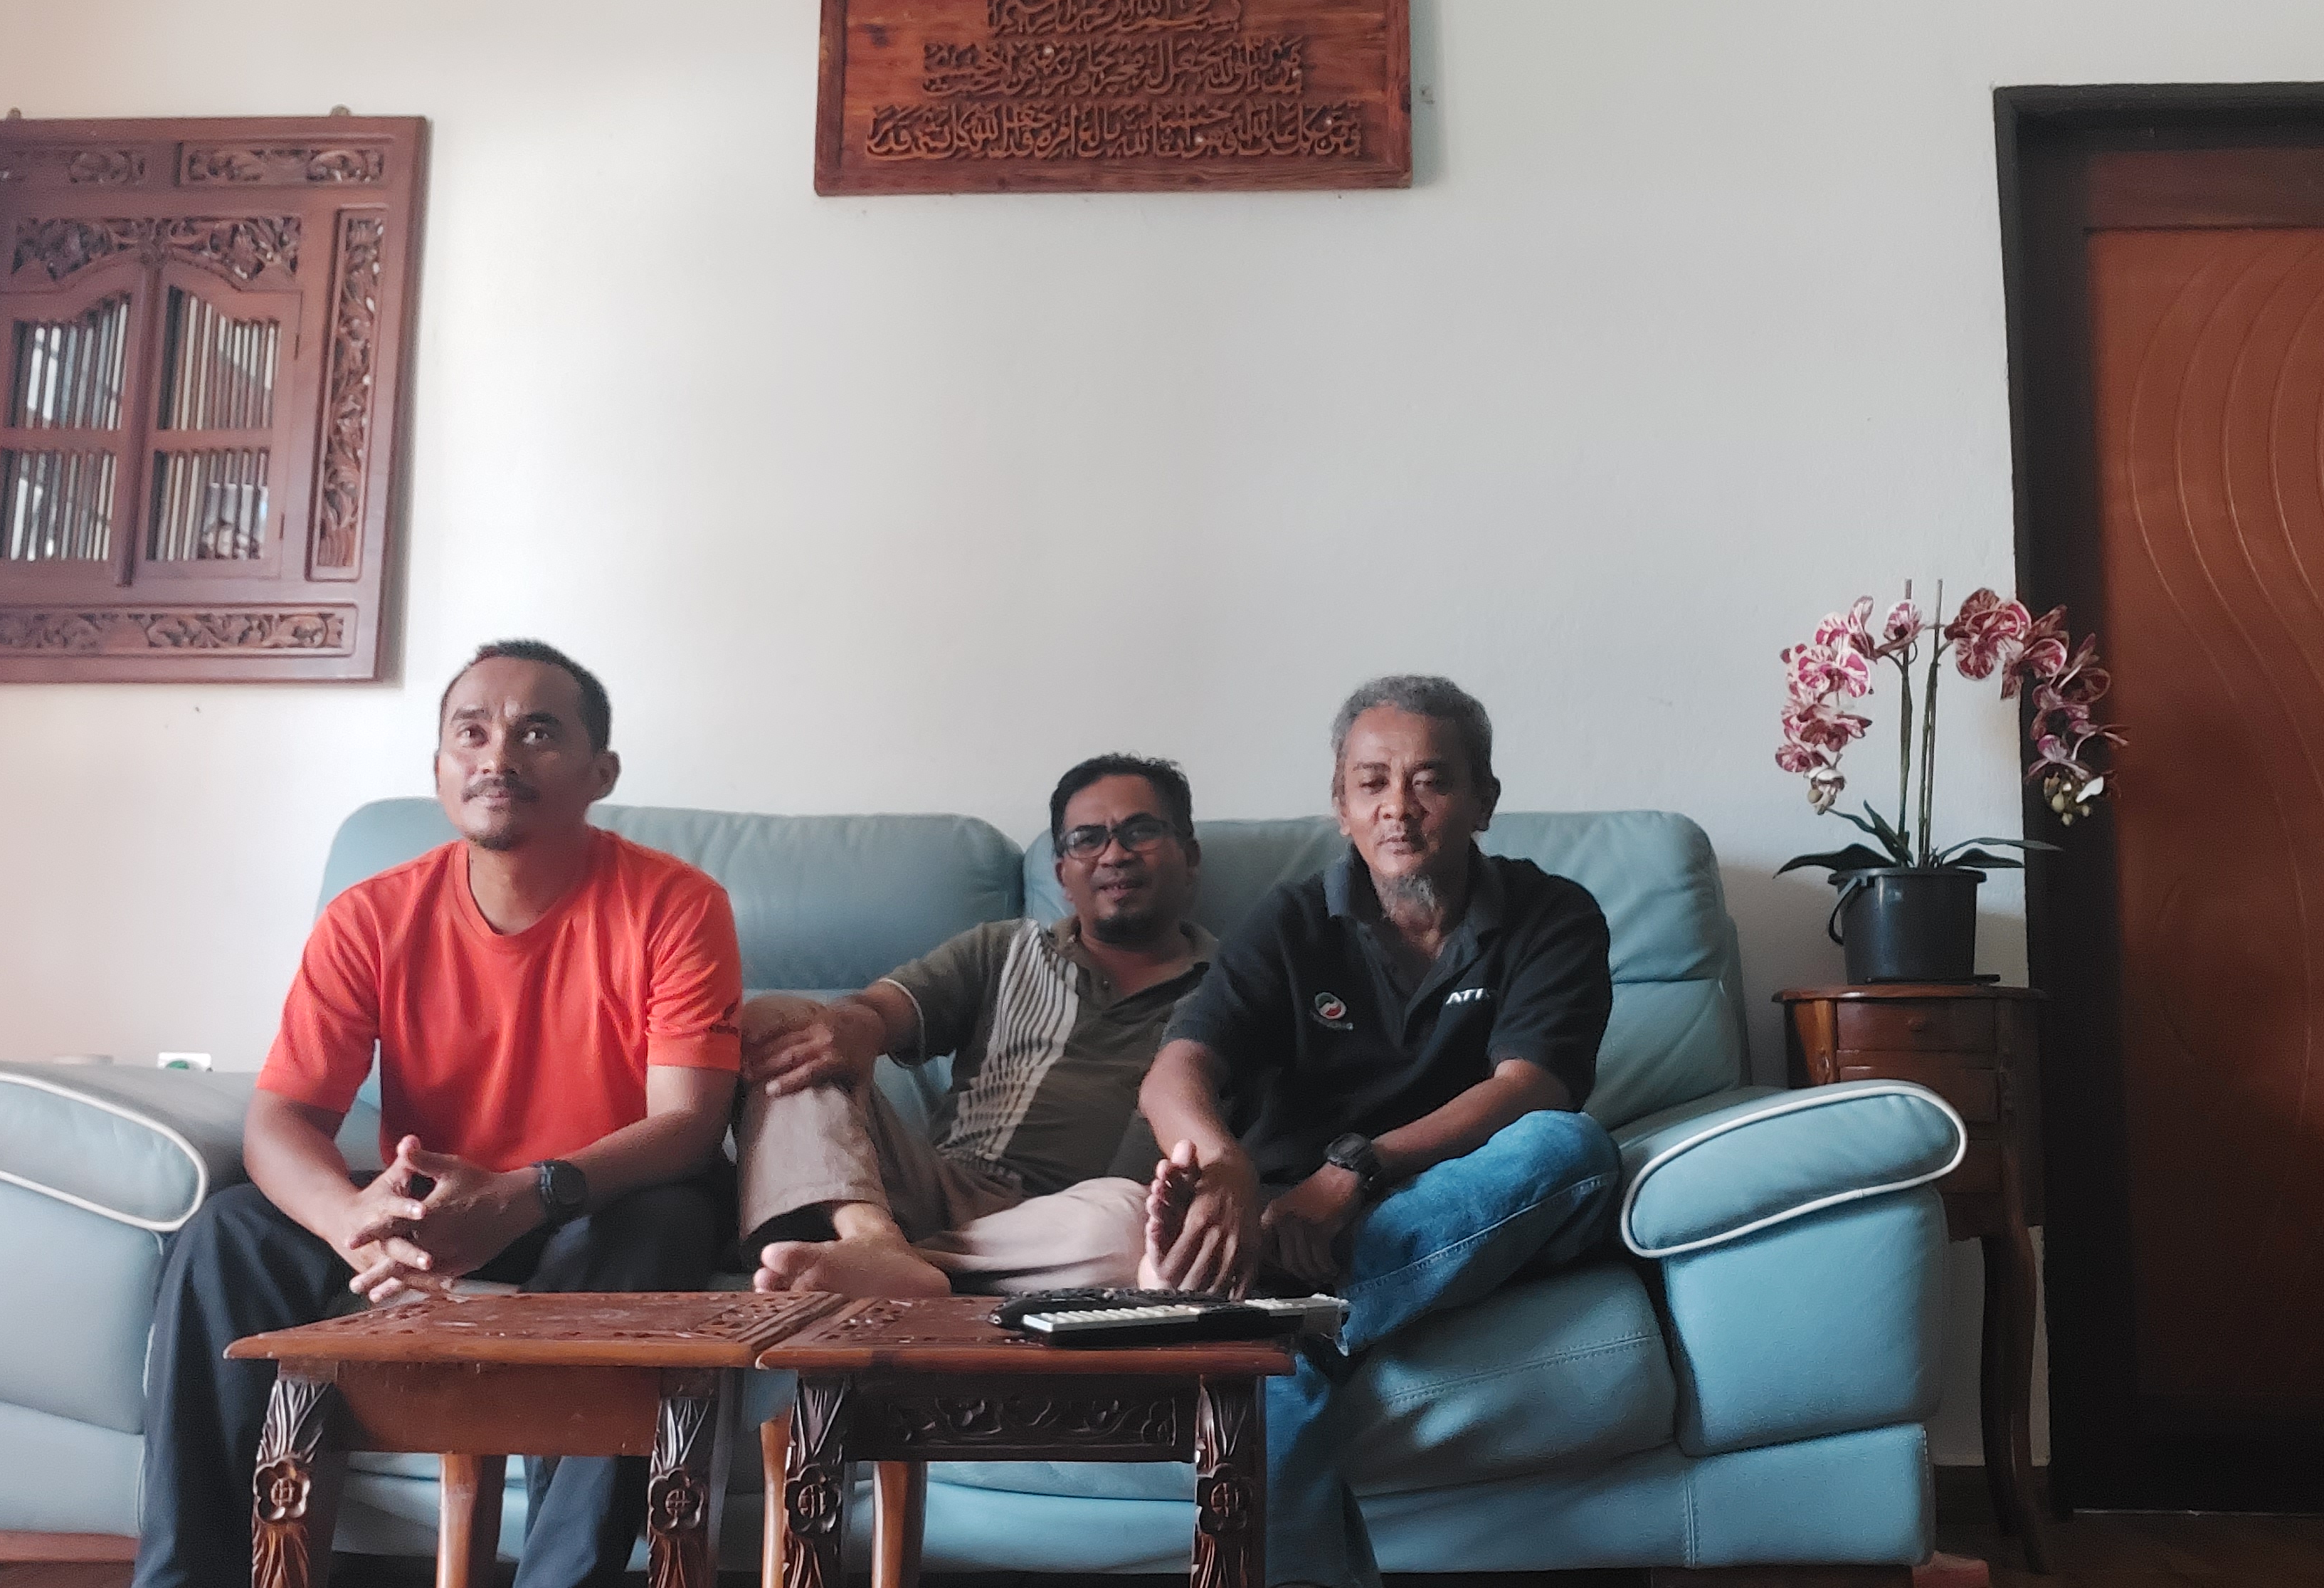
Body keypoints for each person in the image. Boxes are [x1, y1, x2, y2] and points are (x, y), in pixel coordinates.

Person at [134, 641, 744, 1588]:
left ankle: (564, 1578)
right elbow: (280, 1120)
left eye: (538, 732)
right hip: (432, 1205)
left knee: (658, 1226)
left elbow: (688, 1123)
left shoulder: (675, 904)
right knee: (227, 1235)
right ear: (439, 770)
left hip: (601, 1196)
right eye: (472, 731)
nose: (498, 754)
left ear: (601, 773)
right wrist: (354, 1220)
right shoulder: (370, 916)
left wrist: (528, 1193)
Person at [1136, 675, 1624, 1588]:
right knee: (1274, 1380)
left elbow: (1530, 1085)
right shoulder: (1290, 921)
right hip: (1294, 1216)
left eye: (1430, 780)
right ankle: (1297, 1327)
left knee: (1572, 1146)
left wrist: (1356, 1169)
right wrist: (1223, 1156)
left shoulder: (1554, 912)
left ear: (1483, 800)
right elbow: (1175, 1070)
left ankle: (1290, 1314)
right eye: (1371, 782)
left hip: (1465, 1206)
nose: (1398, 807)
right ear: (1341, 804)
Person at [735, 754, 1218, 1295]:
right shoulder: (1003, 949)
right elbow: (878, 1010)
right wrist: (853, 1027)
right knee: (777, 1022)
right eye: (1087, 839)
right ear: (1063, 874)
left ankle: (898, 1269)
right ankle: (872, 1241)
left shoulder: (1233, 990)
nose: (1114, 854)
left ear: (1189, 856)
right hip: (926, 1187)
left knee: (1130, 1226)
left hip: (1068, 1220)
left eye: (1141, 831)